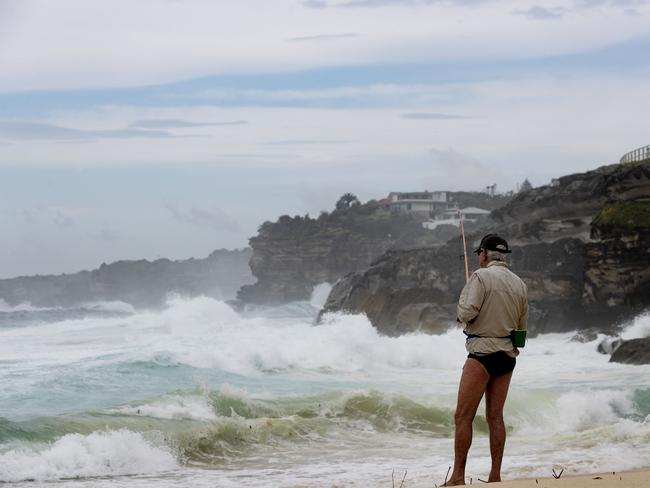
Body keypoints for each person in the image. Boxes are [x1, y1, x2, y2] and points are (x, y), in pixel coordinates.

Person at [445, 234, 528, 486]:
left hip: (481, 354)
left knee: (463, 417)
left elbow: (466, 313)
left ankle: (458, 477)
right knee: (496, 417)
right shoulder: (520, 284)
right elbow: (522, 329)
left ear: (484, 254)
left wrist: (464, 298)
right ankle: (495, 476)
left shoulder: (479, 277)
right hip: (507, 357)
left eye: (479, 253)